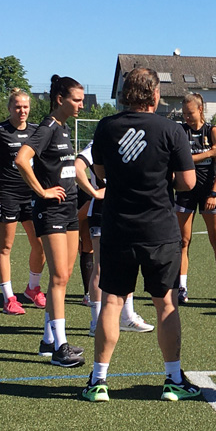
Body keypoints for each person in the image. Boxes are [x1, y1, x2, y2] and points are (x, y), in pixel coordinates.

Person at [80, 67, 198, 402]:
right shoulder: (171, 129)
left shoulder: (106, 127)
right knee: (165, 303)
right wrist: (161, 180)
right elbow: (188, 182)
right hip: (159, 229)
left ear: (124, 95)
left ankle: (98, 381)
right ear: (155, 94)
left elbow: (101, 174)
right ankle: (173, 380)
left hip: (117, 227)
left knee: (112, 303)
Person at [16, 75, 86, 367]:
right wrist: (41, 191)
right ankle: (61, 348)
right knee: (58, 278)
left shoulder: (65, 127)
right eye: (76, 99)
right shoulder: (47, 127)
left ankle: (48, 341)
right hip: (51, 211)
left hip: (69, 208)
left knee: (64, 276)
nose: (82, 104)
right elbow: (21, 159)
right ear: (60, 99)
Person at [0, 88, 46, 315]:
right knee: (5, 247)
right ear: (9, 108)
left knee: (41, 244)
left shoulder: (37, 131)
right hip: (6, 194)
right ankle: (8, 298)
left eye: (25, 107)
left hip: (33, 195)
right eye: (17, 106)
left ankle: (32, 289)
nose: (22, 111)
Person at [74, 142, 154, 335]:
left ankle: (127, 317)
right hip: (103, 211)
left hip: (127, 211)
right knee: (101, 266)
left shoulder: (128, 141)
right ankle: (96, 322)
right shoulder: (98, 144)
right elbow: (76, 167)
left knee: (128, 263)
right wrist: (93, 192)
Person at [174, 93, 216, 304]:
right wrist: (208, 154)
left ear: (200, 109)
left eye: (190, 113)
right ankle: (182, 287)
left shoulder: (213, 131)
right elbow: (181, 160)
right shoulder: (179, 131)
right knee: (183, 242)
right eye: (184, 113)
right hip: (184, 192)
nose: (187, 117)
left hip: (209, 193)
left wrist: (214, 192)